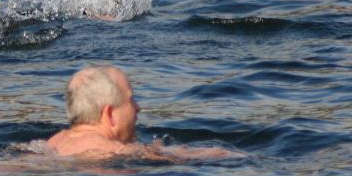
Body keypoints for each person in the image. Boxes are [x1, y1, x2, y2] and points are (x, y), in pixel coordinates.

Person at [46, 65, 242, 161]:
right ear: (110, 115)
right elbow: (174, 156)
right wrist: (221, 153)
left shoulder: (55, 142)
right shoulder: (112, 151)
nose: (138, 107)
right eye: (131, 100)